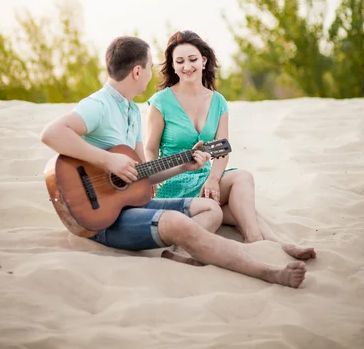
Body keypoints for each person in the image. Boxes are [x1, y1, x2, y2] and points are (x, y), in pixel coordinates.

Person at [41, 35, 307, 288]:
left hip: (126, 204)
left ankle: (258, 244)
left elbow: (142, 174)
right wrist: (109, 161)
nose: (152, 74)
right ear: (137, 72)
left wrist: (183, 166)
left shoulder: (132, 111)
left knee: (212, 209)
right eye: (148, 67)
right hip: (97, 219)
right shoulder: (99, 105)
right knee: (178, 221)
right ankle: (267, 271)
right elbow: (51, 133)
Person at [145, 30, 316, 261]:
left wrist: (214, 178)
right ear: (173, 66)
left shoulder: (218, 101)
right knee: (244, 207)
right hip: (174, 180)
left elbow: (222, 150)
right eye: (180, 61)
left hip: (205, 180)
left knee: (242, 190)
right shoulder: (161, 102)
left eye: (193, 59)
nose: (187, 66)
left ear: (204, 61)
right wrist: (152, 175)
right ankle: (268, 244)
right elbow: (150, 147)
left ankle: (269, 243)